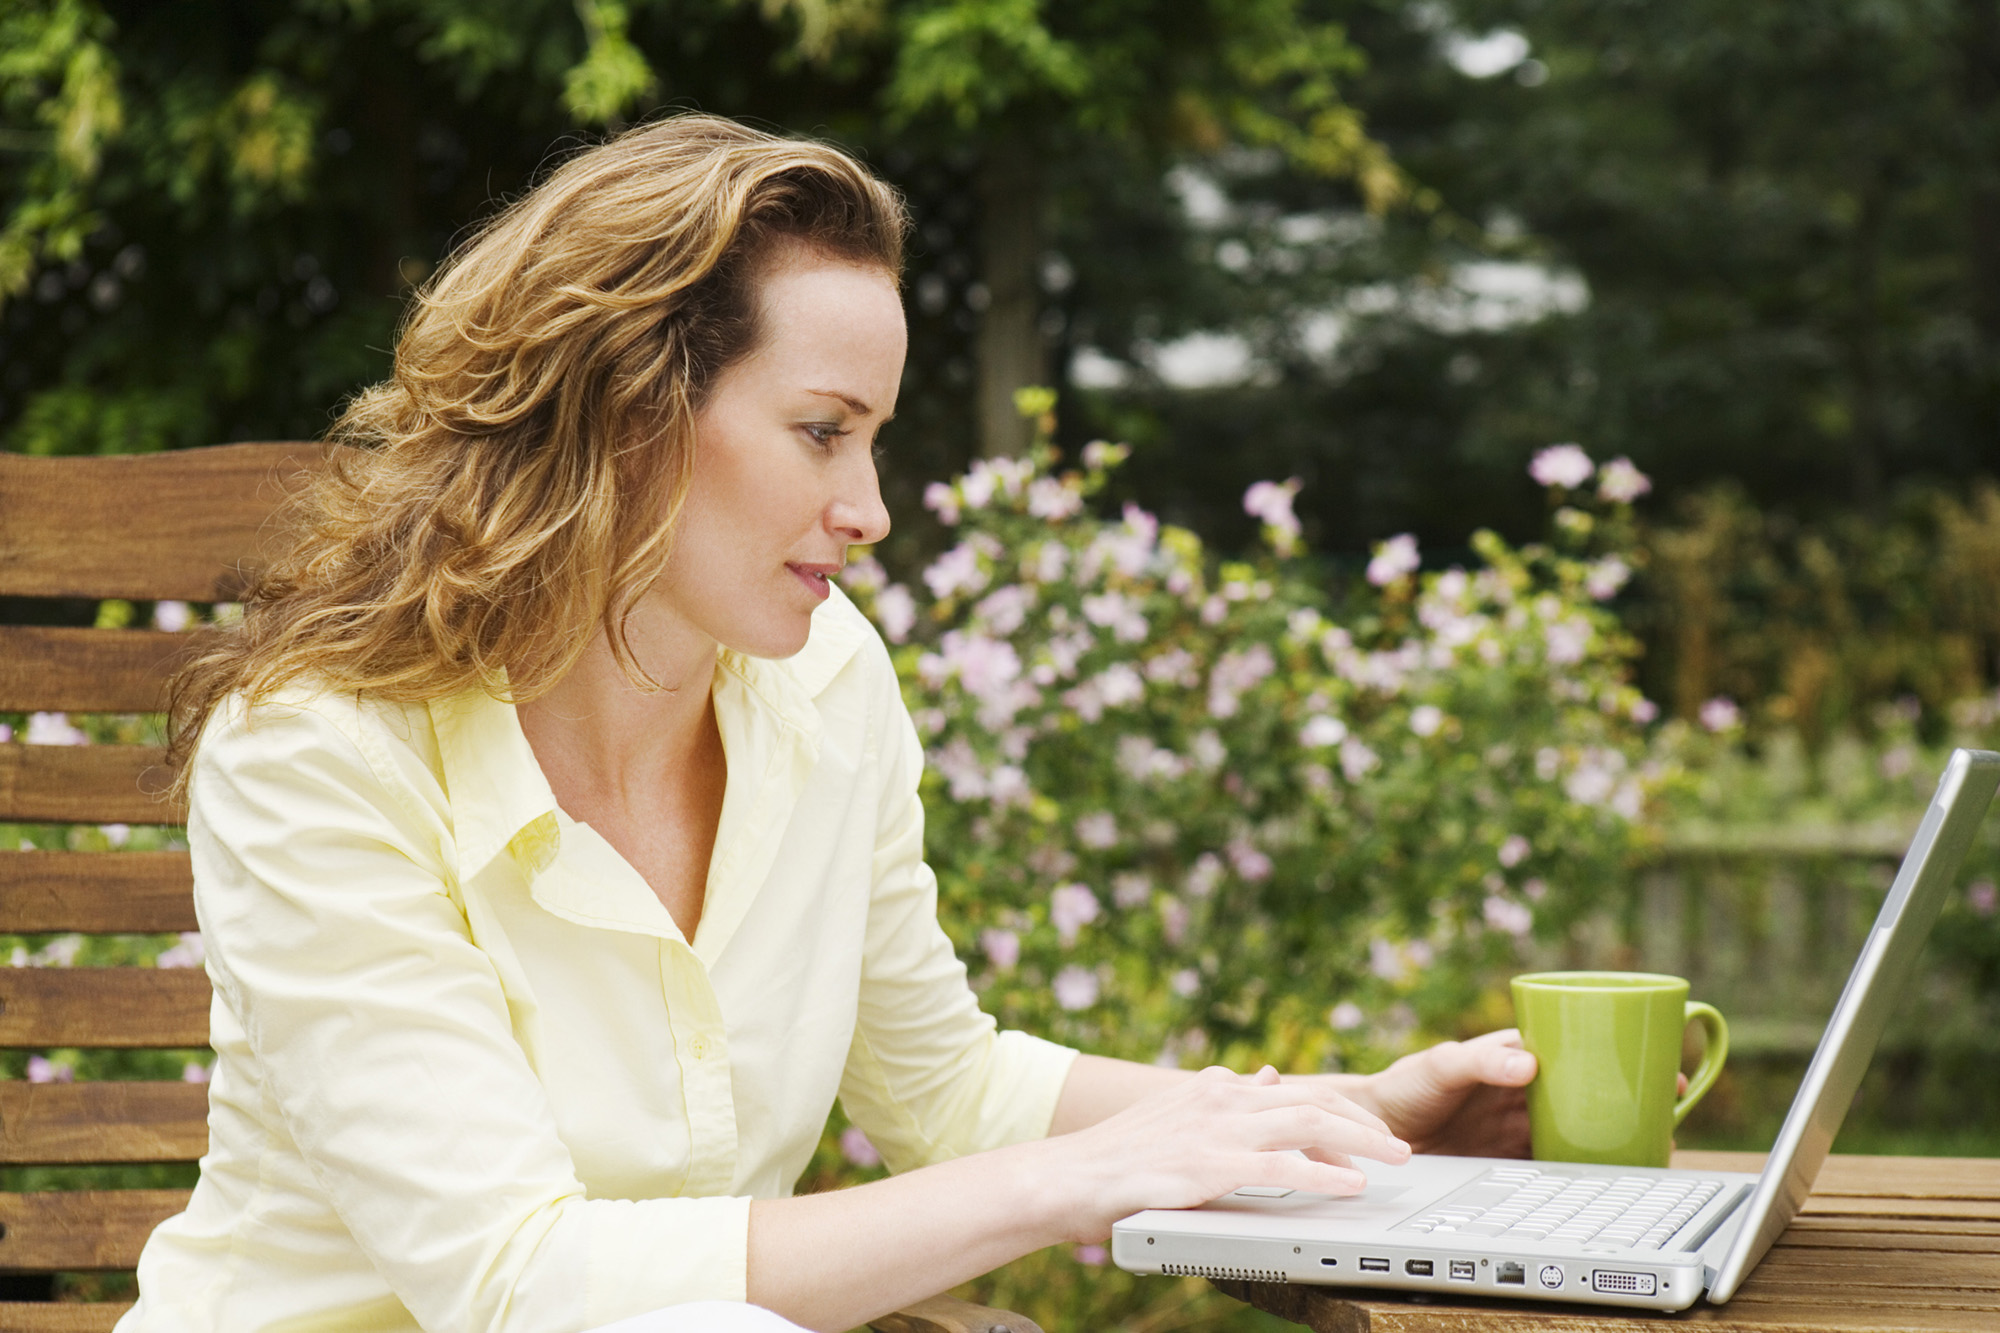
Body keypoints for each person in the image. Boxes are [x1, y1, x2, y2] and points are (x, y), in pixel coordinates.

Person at [120, 114, 1537, 1333]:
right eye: (821, 431)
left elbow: (949, 1086)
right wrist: (1058, 1192)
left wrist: (1342, 1112)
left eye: (876, 438)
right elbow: (517, 1280)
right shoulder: (320, 750)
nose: (869, 508)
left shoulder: (823, 679)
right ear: (630, 410)